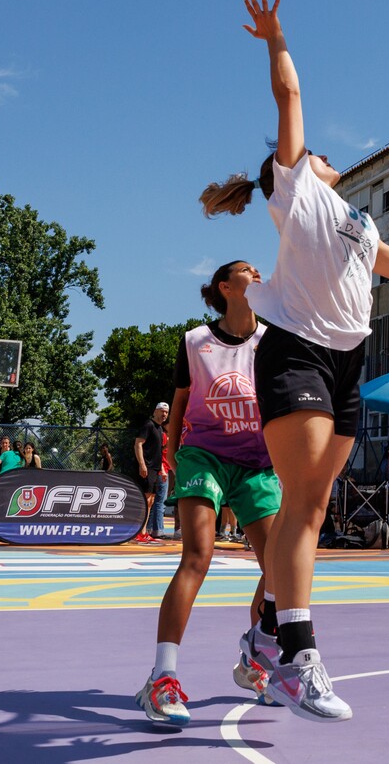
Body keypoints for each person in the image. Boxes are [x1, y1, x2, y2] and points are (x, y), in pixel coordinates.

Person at [197, 0, 389, 720]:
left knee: (315, 506)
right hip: (297, 357)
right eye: (314, 153)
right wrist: (276, 37)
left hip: (346, 369)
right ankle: (299, 656)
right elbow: (291, 91)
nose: (327, 154)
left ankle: (261, 637)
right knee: (303, 507)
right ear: (293, 170)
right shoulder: (297, 191)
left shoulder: (360, 224)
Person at [138, 260, 284, 728]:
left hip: (258, 464)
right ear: (225, 286)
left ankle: (254, 659)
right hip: (205, 455)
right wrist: (177, 455)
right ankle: (162, 679)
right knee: (197, 556)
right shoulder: (195, 340)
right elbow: (180, 403)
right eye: (246, 269)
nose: (256, 272)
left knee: (280, 568)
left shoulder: (274, 340)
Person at [134, 402, 169, 545]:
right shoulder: (148, 425)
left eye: (166, 412)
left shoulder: (160, 429)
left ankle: (144, 532)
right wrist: (142, 464)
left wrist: (162, 468)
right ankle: (138, 532)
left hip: (155, 468)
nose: (164, 414)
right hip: (147, 467)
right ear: (155, 411)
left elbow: (158, 452)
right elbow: (138, 444)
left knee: (151, 501)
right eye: (161, 411)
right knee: (145, 500)